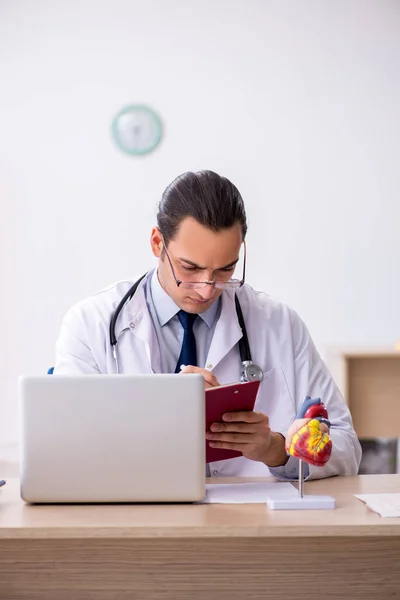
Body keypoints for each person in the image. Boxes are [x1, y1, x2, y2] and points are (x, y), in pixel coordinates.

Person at [54, 170, 361, 479]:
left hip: (251, 522)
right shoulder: (90, 323)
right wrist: (161, 412)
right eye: (190, 268)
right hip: (137, 517)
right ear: (157, 243)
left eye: (225, 269)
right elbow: (63, 450)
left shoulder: (279, 323)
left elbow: (346, 446)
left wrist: (275, 450)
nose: (206, 288)